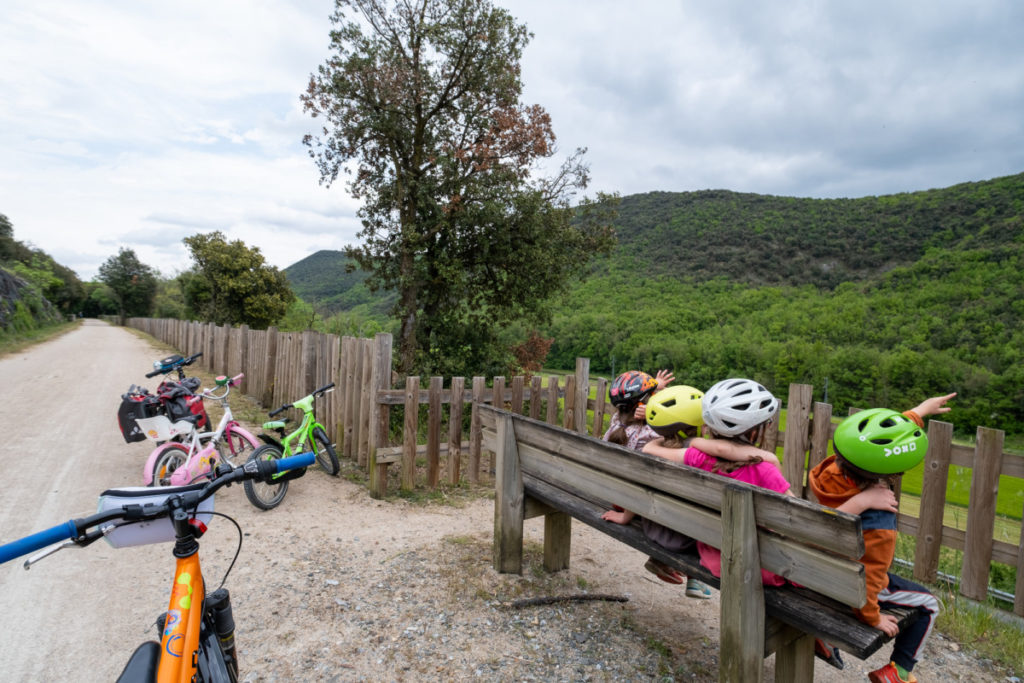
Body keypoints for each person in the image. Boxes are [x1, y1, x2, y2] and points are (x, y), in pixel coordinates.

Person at [808, 393, 954, 683]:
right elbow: (871, 575)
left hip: (814, 568)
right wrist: (872, 616)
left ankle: (827, 640)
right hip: (845, 579)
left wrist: (919, 411)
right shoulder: (880, 521)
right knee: (929, 605)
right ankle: (897, 672)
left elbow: (871, 445)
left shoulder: (829, 473)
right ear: (895, 471)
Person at [602, 381, 777, 598]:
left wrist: (625, 518)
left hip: (654, 527)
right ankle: (691, 579)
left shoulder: (666, 451)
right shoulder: (701, 458)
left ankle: (662, 561)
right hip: (695, 540)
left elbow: (641, 481)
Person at [640, 378, 795, 587]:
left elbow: (649, 448)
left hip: (713, 553)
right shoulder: (766, 471)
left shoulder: (697, 457)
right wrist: (769, 458)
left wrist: (695, 441)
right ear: (756, 431)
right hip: (758, 565)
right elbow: (797, 524)